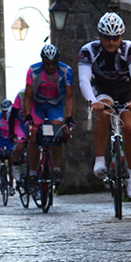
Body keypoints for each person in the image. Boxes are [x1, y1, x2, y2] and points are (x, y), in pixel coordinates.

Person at [78, 12, 131, 199]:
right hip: (103, 89)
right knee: (104, 114)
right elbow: (84, 80)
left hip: (125, 90)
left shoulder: (129, 49)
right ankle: (100, 159)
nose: (111, 42)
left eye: (115, 38)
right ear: (100, 37)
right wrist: (93, 101)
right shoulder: (88, 51)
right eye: (107, 38)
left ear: (121, 38)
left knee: (130, 127)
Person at [23, 43, 75, 186]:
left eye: (54, 63)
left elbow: (70, 97)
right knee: (34, 135)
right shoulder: (33, 71)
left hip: (55, 105)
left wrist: (69, 118)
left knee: (57, 134)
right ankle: (33, 172)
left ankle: (56, 168)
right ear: (43, 61)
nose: (51, 66)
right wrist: (28, 116)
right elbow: (27, 96)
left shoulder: (66, 71)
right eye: (47, 63)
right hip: (37, 105)